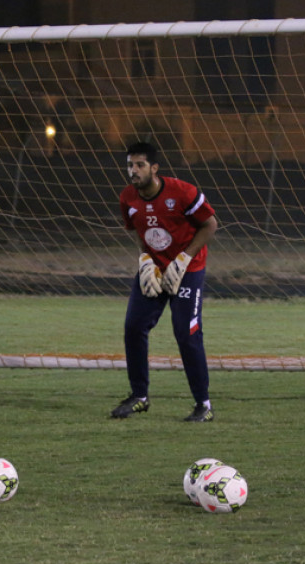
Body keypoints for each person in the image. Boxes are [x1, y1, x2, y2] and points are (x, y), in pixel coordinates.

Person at [112, 141, 218, 422]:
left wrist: (184, 259)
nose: (133, 171)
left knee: (186, 333)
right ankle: (140, 397)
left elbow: (210, 225)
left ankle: (203, 405)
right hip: (156, 270)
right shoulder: (127, 198)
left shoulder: (183, 192)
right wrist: (145, 259)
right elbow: (139, 231)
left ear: (154, 168)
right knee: (133, 327)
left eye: (139, 165)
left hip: (188, 269)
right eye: (129, 165)